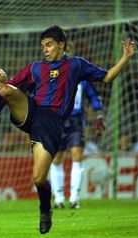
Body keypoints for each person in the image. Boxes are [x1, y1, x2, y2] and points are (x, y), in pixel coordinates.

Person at [0, 25, 136, 234]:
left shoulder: (76, 65)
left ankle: (45, 209)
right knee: (4, 90)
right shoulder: (35, 68)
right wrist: (0, 80)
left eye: (49, 45)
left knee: (39, 178)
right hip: (32, 111)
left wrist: (126, 57)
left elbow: (107, 77)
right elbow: (9, 86)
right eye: (43, 46)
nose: (45, 50)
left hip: (52, 123)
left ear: (61, 45)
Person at [50, 80, 105, 210]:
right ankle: (59, 199)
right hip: (56, 120)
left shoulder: (82, 79)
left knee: (77, 156)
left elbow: (92, 95)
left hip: (76, 122)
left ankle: (74, 198)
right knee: (56, 158)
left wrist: (99, 113)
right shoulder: (53, 74)